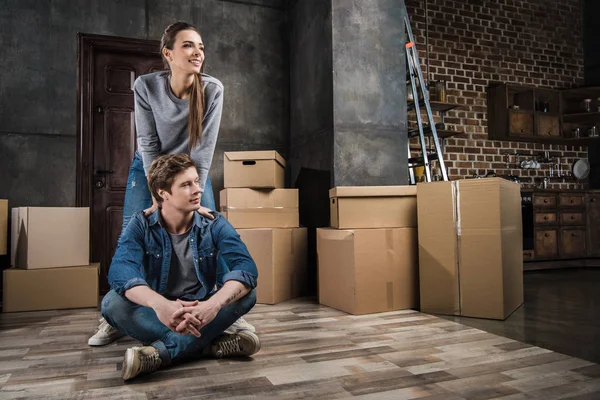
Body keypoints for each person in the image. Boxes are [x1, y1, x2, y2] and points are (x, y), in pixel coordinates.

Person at [89, 21, 254, 345]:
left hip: (192, 166)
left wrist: (194, 189)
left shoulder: (212, 89)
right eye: (189, 45)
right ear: (168, 53)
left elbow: (204, 150)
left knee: (208, 224)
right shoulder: (147, 86)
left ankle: (223, 310)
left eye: (201, 46)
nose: (198, 52)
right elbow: (149, 144)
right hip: (149, 167)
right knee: (134, 229)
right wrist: (157, 194)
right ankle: (113, 318)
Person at [100, 153, 260, 381]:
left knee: (247, 294)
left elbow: (246, 267)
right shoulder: (141, 224)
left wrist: (213, 305)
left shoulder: (214, 223)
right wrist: (160, 304)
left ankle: (159, 353)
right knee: (112, 304)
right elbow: (120, 271)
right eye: (186, 184)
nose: (197, 190)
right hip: (159, 310)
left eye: (196, 181)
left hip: (201, 306)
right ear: (163, 193)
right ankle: (208, 345)